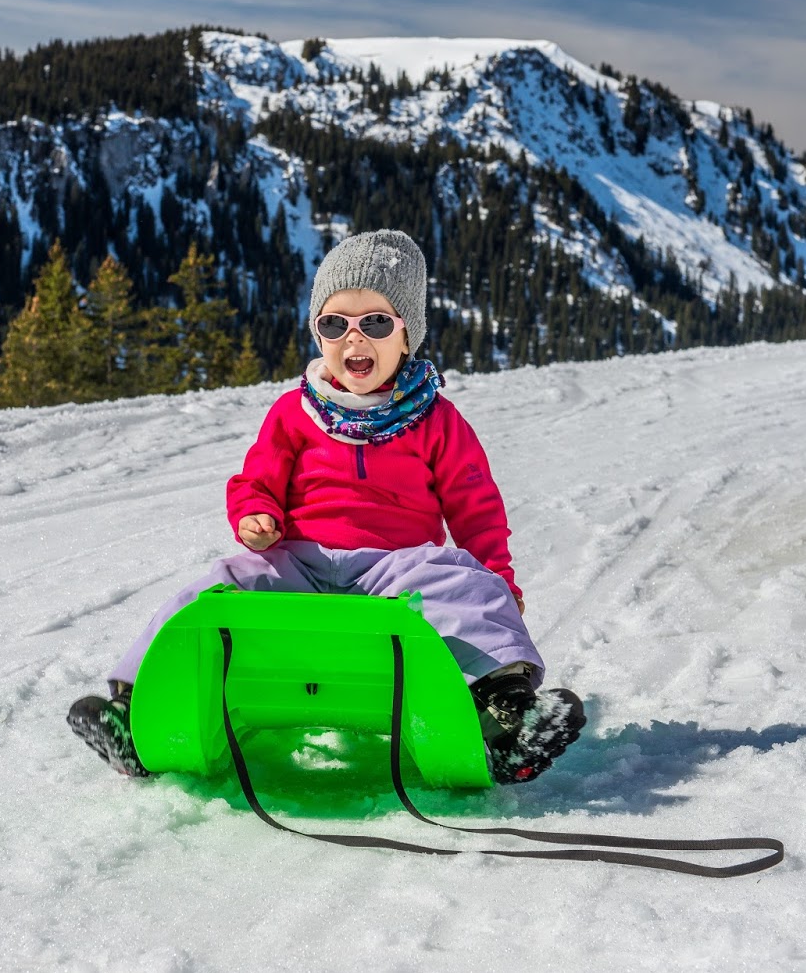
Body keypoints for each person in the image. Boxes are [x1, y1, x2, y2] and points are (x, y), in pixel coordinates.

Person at [69, 230, 584, 784]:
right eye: (335, 324)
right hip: (301, 560)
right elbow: (254, 479)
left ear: (407, 333)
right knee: (214, 591)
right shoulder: (296, 412)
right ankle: (137, 710)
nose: (353, 339)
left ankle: (503, 718)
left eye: (376, 323)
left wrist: (500, 581)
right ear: (318, 334)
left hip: (399, 564)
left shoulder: (437, 420)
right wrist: (255, 516)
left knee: (467, 586)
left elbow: (476, 509)